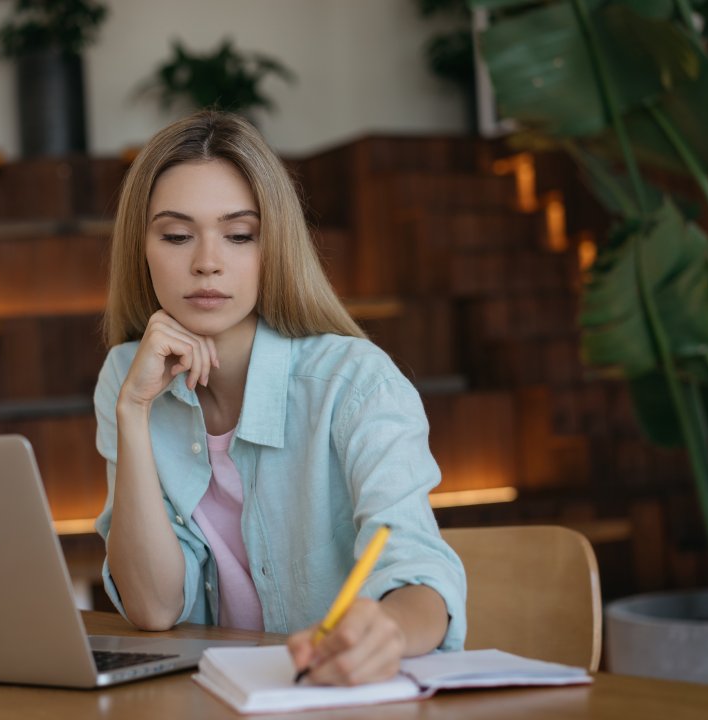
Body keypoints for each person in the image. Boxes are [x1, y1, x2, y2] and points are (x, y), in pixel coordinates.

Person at [94, 110, 465, 686]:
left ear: (275, 246)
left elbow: (418, 566)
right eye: (176, 235)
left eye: (240, 235)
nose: (207, 262)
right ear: (141, 247)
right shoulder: (127, 376)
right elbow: (153, 607)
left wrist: (387, 632)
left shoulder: (355, 383)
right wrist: (133, 411)